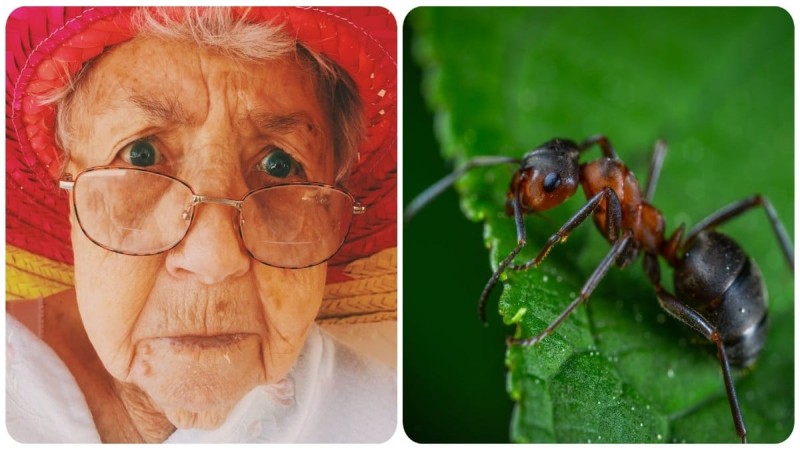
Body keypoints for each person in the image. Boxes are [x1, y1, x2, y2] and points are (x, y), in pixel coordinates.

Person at [6, 6, 397, 443]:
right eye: (142, 155)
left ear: (329, 211)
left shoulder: (382, 413)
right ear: (70, 195)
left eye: (280, 164)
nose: (214, 259)